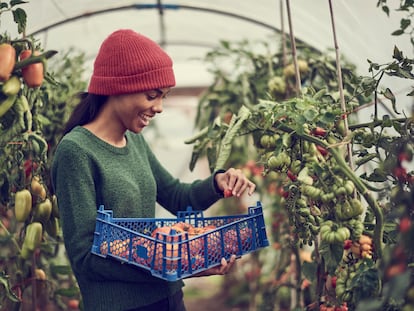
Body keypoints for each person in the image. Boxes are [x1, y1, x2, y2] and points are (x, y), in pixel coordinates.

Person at [51, 29, 256, 311]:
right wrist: (179, 265)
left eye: (164, 96)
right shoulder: (76, 152)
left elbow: (175, 195)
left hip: (169, 298)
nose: (159, 107)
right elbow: (86, 257)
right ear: (117, 88)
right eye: (152, 95)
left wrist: (218, 183)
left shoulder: (134, 140)